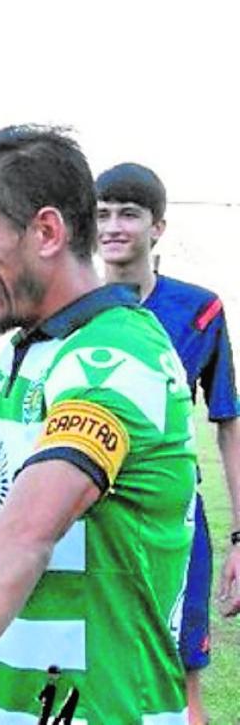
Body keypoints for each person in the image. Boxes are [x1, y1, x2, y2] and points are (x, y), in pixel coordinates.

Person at [0, 126, 196, 723]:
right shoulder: (24, 352)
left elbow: (20, 536)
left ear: (46, 232)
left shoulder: (115, 358)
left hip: (104, 710)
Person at [95, 162, 240, 725]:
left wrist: (238, 537)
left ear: (158, 227)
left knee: (180, 692)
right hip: (85, 521)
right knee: (84, 679)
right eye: (102, 214)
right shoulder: (65, 307)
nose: (113, 226)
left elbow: (228, 422)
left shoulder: (198, 310)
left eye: (128, 213)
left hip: (170, 523)